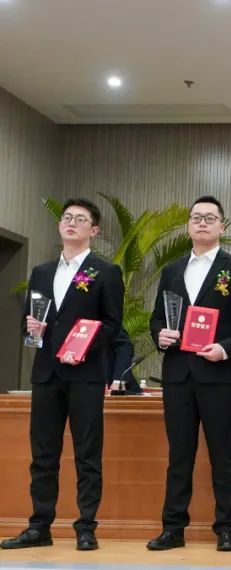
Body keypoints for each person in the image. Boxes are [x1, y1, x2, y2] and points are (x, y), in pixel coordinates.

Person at [1, 198, 124, 552]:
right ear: (59, 226)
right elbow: (29, 327)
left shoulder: (105, 271)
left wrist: (81, 345)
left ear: (93, 230)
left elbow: (112, 325)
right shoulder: (41, 272)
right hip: (46, 374)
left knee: (87, 453)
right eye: (67, 217)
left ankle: (86, 527)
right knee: (43, 454)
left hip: (85, 375)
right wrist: (35, 332)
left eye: (80, 219)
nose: (71, 222)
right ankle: (39, 525)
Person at [146, 195, 231, 552]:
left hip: (217, 374)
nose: (202, 223)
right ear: (188, 226)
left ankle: (225, 529)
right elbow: (156, 318)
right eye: (196, 217)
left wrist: (226, 348)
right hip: (178, 374)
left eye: (210, 218)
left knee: (222, 455)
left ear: (221, 227)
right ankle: (173, 528)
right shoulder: (173, 270)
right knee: (179, 456)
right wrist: (160, 335)